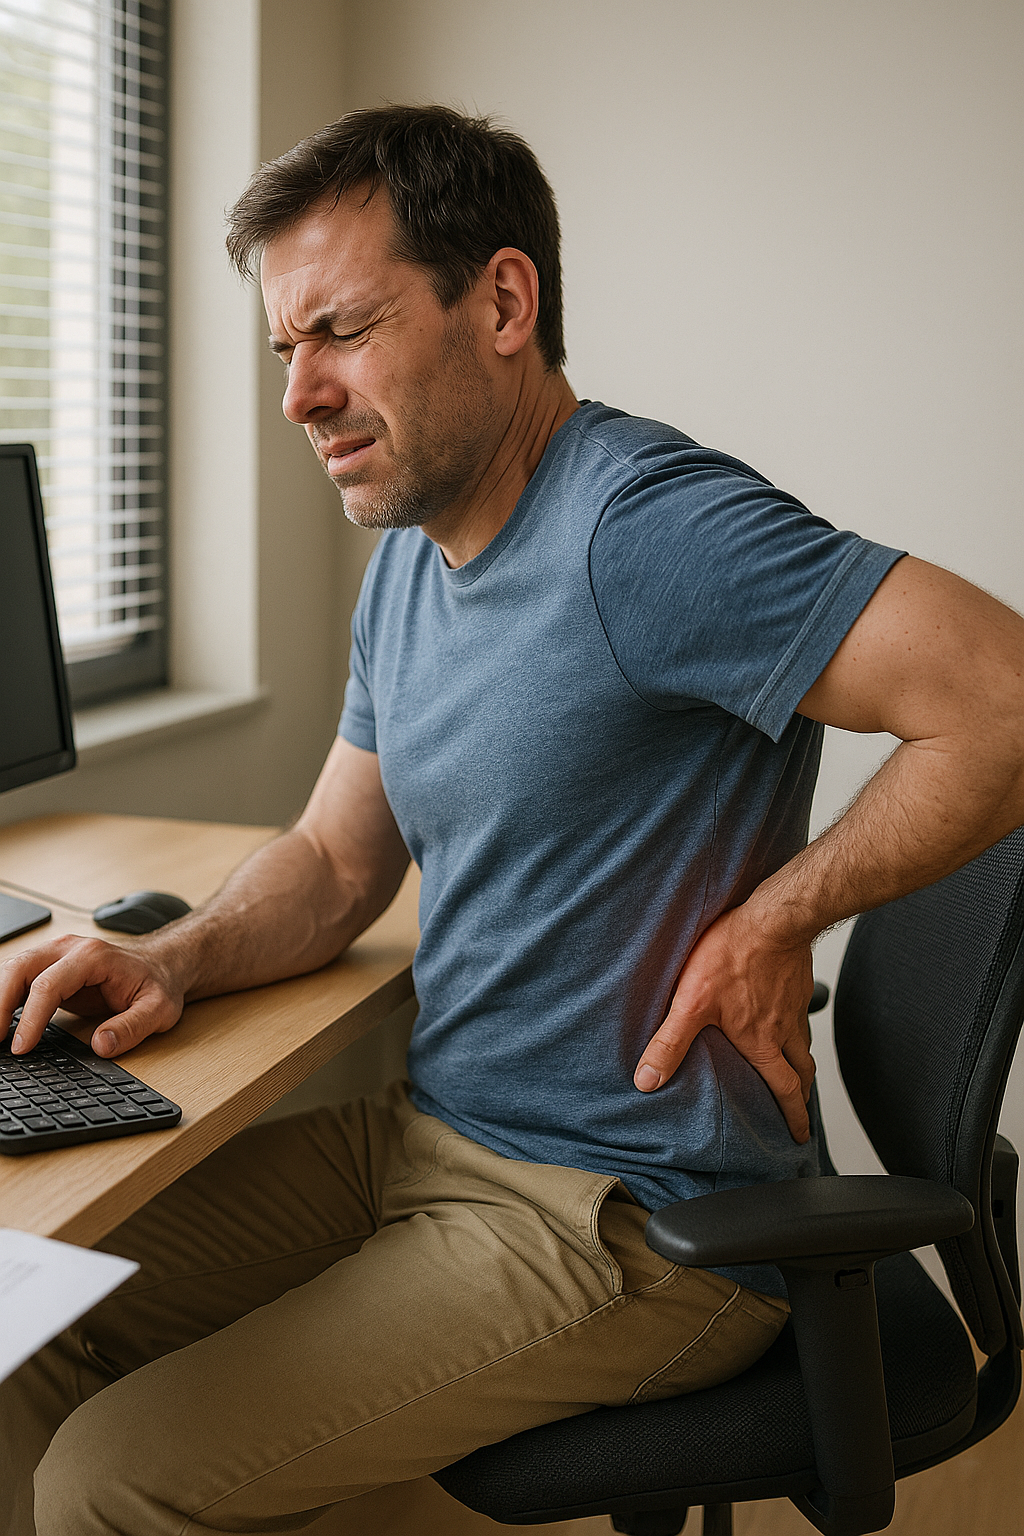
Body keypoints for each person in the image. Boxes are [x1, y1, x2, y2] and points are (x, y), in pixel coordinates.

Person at [1, 105, 1023, 1536]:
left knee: (109, 1482)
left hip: (631, 1221)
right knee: (26, 1329)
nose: (300, 393)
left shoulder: (642, 529)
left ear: (499, 301)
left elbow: (1004, 700)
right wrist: (176, 959)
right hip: (427, 1144)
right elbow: (336, 861)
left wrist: (779, 915)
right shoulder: (416, 559)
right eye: (284, 348)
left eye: (341, 330)